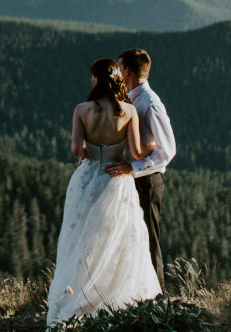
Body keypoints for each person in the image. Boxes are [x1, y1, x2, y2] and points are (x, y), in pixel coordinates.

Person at [45, 58, 161, 326]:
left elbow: (76, 149)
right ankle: (113, 299)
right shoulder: (128, 111)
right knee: (114, 239)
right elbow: (135, 153)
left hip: (87, 178)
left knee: (81, 239)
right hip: (115, 180)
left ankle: (78, 299)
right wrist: (152, 145)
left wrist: (90, 153)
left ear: (97, 80)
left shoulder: (82, 110)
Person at [104, 49, 176, 291]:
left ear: (128, 71)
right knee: (128, 240)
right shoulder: (130, 97)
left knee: (148, 242)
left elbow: (167, 151)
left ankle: (158, 299)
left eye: (119, 68)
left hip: (147, 181)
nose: (117, 72)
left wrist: (132, 168)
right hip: (130, 178)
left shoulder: (151, 103)